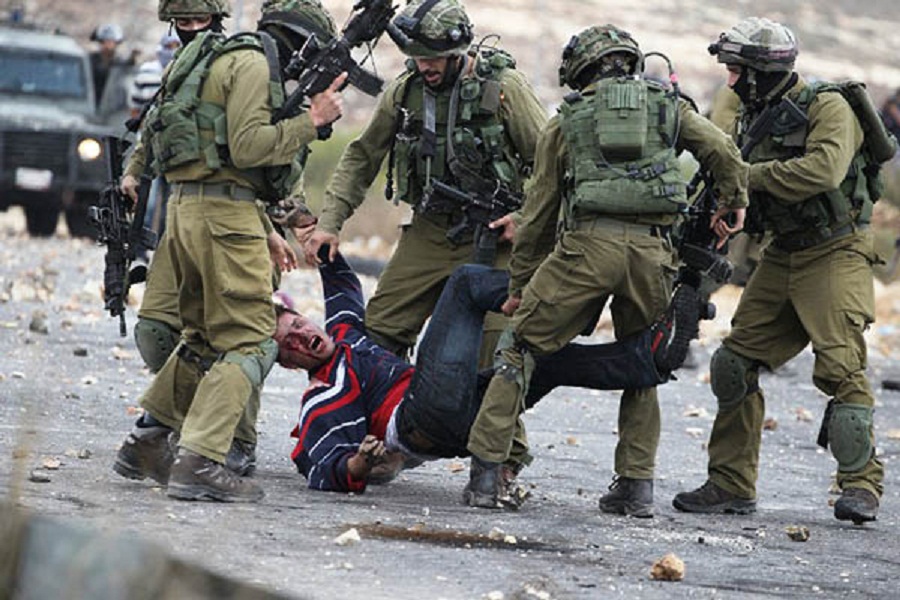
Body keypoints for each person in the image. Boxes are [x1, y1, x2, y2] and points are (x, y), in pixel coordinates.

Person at [464, 24, 749, 515]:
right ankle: (635, 487)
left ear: (582, 69)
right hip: (653, 254)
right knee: (644, 360)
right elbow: (724, 152)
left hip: (584, 250)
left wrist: (521, 286)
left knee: (519, 347)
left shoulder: (567, 120)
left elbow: (539, 213)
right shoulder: (669, 107)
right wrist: (734, 200)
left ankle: (487, 477)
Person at [111, 0, 345, 503]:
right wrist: (313, 120)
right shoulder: (253, 64)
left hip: (185, 211)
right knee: (251, 338)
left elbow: (165, 133)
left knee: (202, 336)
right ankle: (200, 462)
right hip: (226, 215)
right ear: (301, 42)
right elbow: (248, 147)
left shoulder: (204, 58)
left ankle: (146, 443)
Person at [673, 17, 885, 524]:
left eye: (736, 71)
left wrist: (745, 177)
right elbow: (750, 189)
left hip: (835, 251)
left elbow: (823, 171)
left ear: (761, 72)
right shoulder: (753, 116)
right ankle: (731, 483)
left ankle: (861, 485)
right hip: (781, 252)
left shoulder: (828, 106)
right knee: (733, 363)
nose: (730, 81)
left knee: (840, 368)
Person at [278, 242, 690, 498]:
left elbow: (342, 285)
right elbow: (322, 465)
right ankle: (555, 302)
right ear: (289, 363)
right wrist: (358, 465)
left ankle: (648, 358)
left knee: (544, 359)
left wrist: (313, 233)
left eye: (297, 325)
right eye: (289, 345)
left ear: (305, 317)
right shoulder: (323, 394)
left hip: (472, 418)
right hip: (423, 415)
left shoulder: (345, 334)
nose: (300, 337)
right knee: (463, 284)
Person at [304, 0, 548, 373]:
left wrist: (525, 218)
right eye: (417, 57)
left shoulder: (504, 88)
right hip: (430, 231)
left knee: (498, 347)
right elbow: (362, 157)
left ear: (456, 52)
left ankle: (493, 414)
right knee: (378, 333)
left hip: (497, 235)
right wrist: (330, 223)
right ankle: (392, 406)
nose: (424, 66)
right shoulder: (406, 91)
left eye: (433, 57)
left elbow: (552, 165)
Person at [129, 32, 182, 239]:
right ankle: (140, 244)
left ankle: (162, 242)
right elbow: (134, 109)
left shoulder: (187, 72)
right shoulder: (147, 73)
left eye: (176, 46)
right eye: (169, 46)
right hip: (149, 145)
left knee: (171, 200)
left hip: (175, 147)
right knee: (146, 199)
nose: (172, 51)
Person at [89, 23, 137, 113]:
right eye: (105, 42)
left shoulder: (118, 62)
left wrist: (132, 59)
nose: (108, 45)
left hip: (111, 108)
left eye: (111, 42)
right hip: (92, 102)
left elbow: (127, 69)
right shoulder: (91, 60)